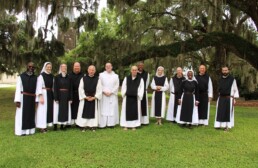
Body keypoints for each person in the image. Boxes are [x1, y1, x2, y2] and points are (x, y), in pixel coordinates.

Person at [14, 62, 37, 136]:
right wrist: (17, 100)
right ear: (27, 67)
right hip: (23, 98)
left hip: (32, 99)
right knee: (22, 115)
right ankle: (21, 132)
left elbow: (37, 90)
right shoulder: (21, 77)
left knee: (31, 115)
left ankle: (30, 131)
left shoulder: (35, 77)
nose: (31, 68)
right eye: (30, 66)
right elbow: (18, 89)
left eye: (33, 67)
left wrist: (36, 100)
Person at [76, 65, 102, 132]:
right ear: (88, 70)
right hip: (85, 98)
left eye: (93, 70)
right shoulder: (83, 78)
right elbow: (80, 89)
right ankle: (83, 126)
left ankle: (93, 126)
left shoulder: (98, 79)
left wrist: (95, 97)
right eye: (90, 69)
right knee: (84, 111)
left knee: (93, 112)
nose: (91, 71)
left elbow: (99, 89)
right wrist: (85, 97)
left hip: (94, 98)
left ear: (95, 71)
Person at [214, 66, 239, 131]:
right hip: (221, 98)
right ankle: (218, 125)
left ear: (228, 71)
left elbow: (235, 89)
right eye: (223, 70)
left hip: (229, 98)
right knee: (220, 112)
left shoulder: (232, 79)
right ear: (222, 71)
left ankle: (227, 127)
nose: (225, 71)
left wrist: (235, 98)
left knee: (227, 113)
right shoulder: (220, 79)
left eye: (226, 70)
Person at [120, 66, 144, 131]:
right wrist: (125, 93)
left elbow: (142, 89)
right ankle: (126, 125)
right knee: (126, 111)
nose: (134, 71)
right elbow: (123, 87)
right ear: (131, 71)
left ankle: (134, 125)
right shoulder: (126, 78)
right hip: (127, 98)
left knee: (135, 111)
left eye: (135, 70)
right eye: (133, 70)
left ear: (137, 71)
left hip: (136, 98)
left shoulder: (140, 79)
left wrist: (137, 94)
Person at [99, 63, 119, 128]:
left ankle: (111, 124)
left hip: (112, 95)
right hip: (104, 94)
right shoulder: (101, 75)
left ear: (112, 67)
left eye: (109, 66)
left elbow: (117, 85)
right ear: (105, 67)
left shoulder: (116, 76)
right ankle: (103, 123)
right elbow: (99, 84)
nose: (108, 67)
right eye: (107, 66)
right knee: (103, 109)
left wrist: (111, 92)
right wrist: (103, 91)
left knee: (112, 108)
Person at [36, 62, 54, 133]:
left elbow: (53, 86)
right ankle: (41, 127)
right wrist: (40, 96)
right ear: (45, 67)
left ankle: (45, 125)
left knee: (48, 110)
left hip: (49, 94)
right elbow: (38, 86)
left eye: (50, 67)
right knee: (42, 110)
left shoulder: (52, 76)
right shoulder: (41, 76)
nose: (49, 68)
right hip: (43, 94)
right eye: (48, 67)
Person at [53, 64, 73, 130]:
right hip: (59, 95)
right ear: (60, 68)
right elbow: (55, 88)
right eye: (62, 67)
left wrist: (70, 98)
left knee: (65, 111)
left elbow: (71, 88)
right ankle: (55, 125)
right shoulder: (57, 77)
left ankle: (63, 125)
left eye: (65, 67)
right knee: (57, 110)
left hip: (66, 96)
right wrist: (56, 97)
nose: (64, 68)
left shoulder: (69, 77)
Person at [69, 62, 84, 127]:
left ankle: (78, 122)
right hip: (71, 93)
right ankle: (70, 123)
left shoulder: (83, 75)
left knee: (79, 108)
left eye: (78, 66)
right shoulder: (69, 75)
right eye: (75, 66)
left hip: (80, 94)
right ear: (73, 67)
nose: (76, 68)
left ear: (80, 67)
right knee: (71, 108)